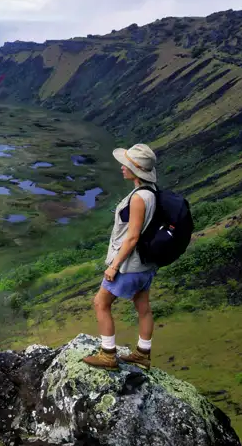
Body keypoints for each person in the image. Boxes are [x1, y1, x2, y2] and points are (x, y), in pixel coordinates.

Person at [82, 143, 158, 371]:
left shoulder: (138, 198)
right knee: (143, 307)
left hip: (129, 265)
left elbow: (132, 237)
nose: (122, 168)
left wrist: (114, 266)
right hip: (145, 264)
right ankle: (143, 354)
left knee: (100, 303)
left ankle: (108, 355)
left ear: (137, 170)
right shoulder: (152, 192)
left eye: (126, 165)